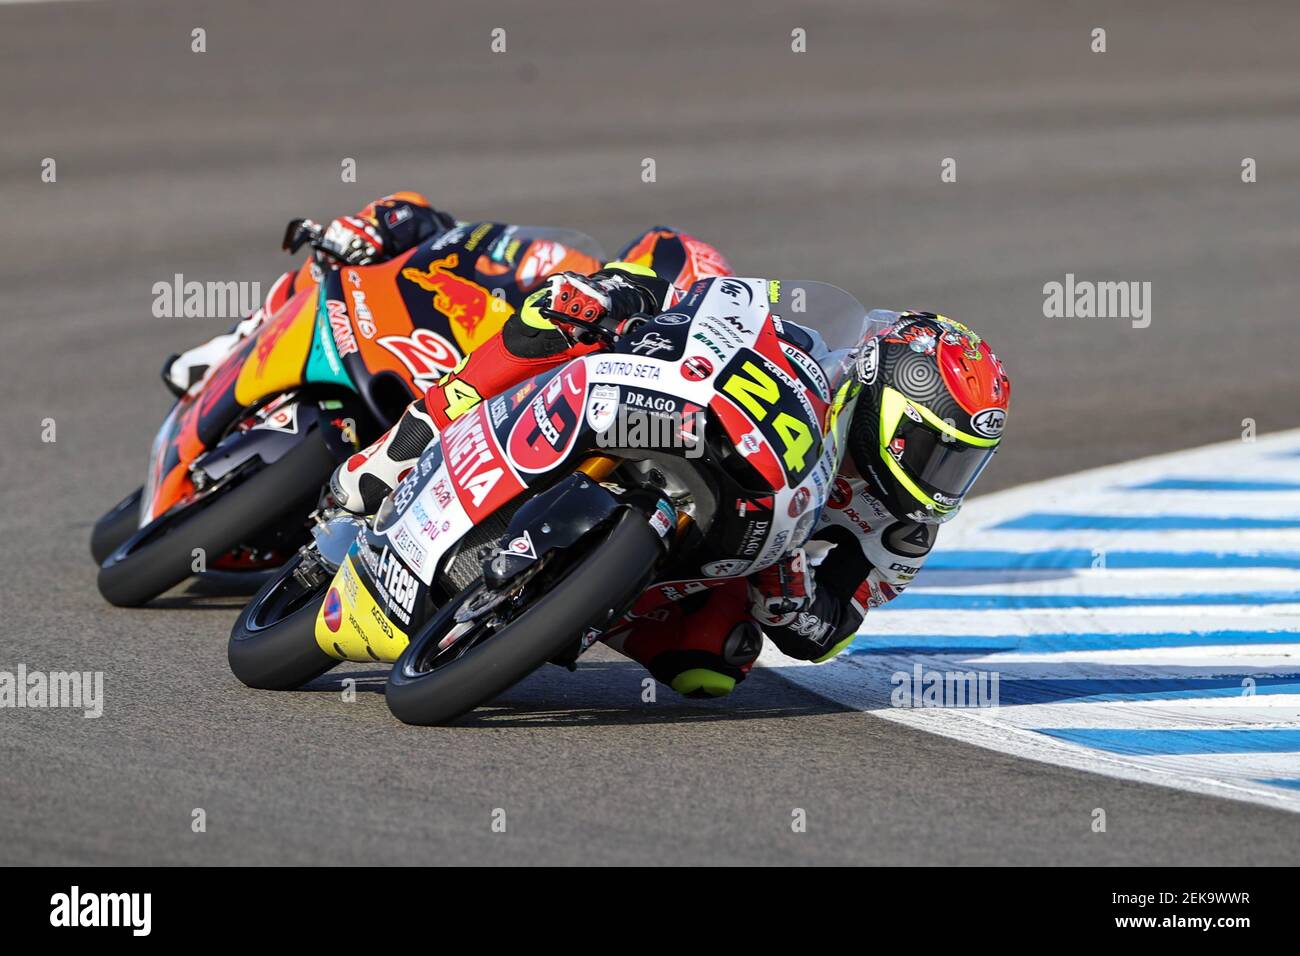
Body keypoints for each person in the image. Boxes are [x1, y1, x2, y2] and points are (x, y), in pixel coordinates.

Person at [331, 257, 1012, 698]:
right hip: (679, 418)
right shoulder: (812, 353)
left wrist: (790, 592)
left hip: (742, 550)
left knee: (714, 665)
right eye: (932, 450)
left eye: (961, 462)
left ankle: (578, 611)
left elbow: (827, 632)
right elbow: (709, 295)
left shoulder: (901, 531)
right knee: (559, 315)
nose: (941, 479)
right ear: (879, 403)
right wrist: (629, 296)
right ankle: (402, 446)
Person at [161, 192, 730, 397]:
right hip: (424, 335)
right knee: (397, 219)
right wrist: (386, 229)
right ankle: (227, 347)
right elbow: (469, 241)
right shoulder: (567, 266)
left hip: (470, 412)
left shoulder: (651, 377)